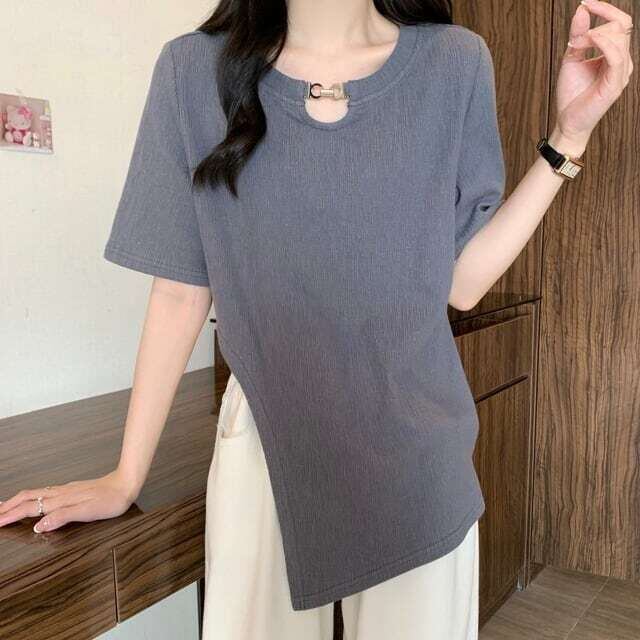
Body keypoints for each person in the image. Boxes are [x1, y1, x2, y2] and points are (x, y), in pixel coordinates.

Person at [0, 0, 633, 638]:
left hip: (417, 456)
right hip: (264, 447)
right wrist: (125, 474)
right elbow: (180, 289)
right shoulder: (192, 71)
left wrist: (569, 137)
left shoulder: (454, 62)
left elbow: (462, 284)